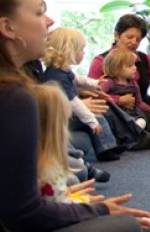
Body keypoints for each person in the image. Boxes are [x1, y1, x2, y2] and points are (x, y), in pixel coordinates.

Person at [0, 0, 150, 232]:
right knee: (123, 230)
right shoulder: (13, 97)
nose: (48, 21)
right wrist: (95, 210)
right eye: (37, 12)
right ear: (7, 28)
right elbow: (22, 216)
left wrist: (59, 198)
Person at [32, 82, 150, 232]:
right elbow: (54, 208)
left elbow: (50, 198)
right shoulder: (47, 167)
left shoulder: (41, 161)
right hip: (56, 220)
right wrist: (86, 205)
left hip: (57, 207)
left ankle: (141, 226)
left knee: (95, 203)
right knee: (103, 216)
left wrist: (70, 194)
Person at [42, 27, 125, 162]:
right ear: (70, 51)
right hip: (59, 119)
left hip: (63, 115)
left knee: (97, 114)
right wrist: (91, 122)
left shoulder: (60, 71)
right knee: (96, 117)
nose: (84, 53)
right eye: (81, 50)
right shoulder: (58, 77)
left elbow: (77, 79)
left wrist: (94, 82)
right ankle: (105, 148)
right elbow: (74, 103)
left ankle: (110, 144)